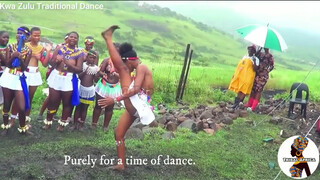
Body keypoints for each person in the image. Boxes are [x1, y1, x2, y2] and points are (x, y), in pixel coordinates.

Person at [99, 25, 155, 170]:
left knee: (123, 71)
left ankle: (108, 38)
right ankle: (120, 164)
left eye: (125, 64)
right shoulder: (137, 69)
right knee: (118, 134)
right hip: (134, 108)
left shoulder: (142, 67)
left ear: (130, 60)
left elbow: (135, 90)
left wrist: (115, 99)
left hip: (139, 105)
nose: (125, 67)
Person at [43, 31, 84, 131]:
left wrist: (67, 63)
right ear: (67, 38)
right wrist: (56, 61)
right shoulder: (59, 48)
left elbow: (79, 69)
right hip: (57, 76)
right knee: (53, 101)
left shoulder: (79, 53)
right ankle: (48, 122)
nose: (73, 39)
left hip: (68, 79)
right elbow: (51, 63)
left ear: (77, 40)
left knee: (66, 103)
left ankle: (61, 124)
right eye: (71, 37)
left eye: (75, 37)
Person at [0, 26, 32, 135]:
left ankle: (23, 127)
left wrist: (20, 59)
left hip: (19, 78)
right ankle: (5, 127)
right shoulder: (10, 47)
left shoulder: (28, 51)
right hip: (8, 77)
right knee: (7, 104)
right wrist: (13, 56)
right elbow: (8, 64)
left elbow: (24, 68)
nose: (19, 35)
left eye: (22, 34)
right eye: (18, 33)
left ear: (27, 37)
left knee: (22, 107)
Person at [37, 33, 70, 120]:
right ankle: (42, 112)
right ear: (66, 38)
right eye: (68, 38)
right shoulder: (59, 47)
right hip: (54, 73)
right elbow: (52, 61)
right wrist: (58, 61)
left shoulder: (73, 49)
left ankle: (53, 113)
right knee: (52, 96)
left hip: (64, 76)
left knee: (59, 96)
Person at [91, 42, 121, 131]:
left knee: (109, 108)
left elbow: (125, 75)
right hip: (103, 86)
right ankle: (94, 123)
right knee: (98, 105)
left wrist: (116, 74)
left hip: (114, 88)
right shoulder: (107, 60)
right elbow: (99, 71)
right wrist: (103, 74)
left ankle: (105, 126)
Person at [71, 50, 99, 131]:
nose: (92, 60)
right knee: (78, 107)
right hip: (81, 88)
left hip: (89, 90)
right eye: (90, 57)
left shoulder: (95, 68)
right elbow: (79, 76)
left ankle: (81, 125)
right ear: (86, 57)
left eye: (94, 58)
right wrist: (85, 72)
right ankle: (74, 124)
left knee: (85, 108)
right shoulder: (82, 65)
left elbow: (96, 80)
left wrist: (97, 74)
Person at [228, 44, 259, 109]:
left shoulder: (256, 59)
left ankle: (238, 104)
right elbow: (240, 66)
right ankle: (236, 104)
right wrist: (235, 74)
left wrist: (254, 61)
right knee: (240, 89)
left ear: (254, 51)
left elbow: (255, 69)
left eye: (252, 49)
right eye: (249, 49)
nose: (250, 50)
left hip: (248, 76)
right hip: (241, 75)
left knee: (244, 90)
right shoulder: (244, 57)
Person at [0, 31, 9, 107]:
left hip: (4, 72)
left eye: (7, 37)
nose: (6, 39)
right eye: (4, 37)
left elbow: (6, 62)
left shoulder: (8, 48)